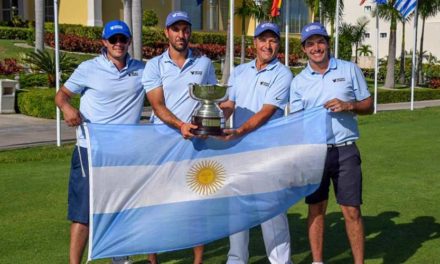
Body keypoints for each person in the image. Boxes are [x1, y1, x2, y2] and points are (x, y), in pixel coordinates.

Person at [54, 20, 145, 264]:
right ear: (104, 42)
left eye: (122, 39)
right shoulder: (88, 68)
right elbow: (61, 95)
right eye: (113, 40)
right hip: (89, 151)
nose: (118, 44)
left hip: (124, 154)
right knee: (82, 213)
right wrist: (67, 108)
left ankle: (120, 259)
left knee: (121, 209)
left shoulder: (142, 69)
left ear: (129, 41)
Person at [289, 22, 373, 264]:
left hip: (345, 151)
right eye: (310, 44)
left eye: (320, 42)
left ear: (328, 43)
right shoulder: (299, 82)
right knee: (316, 210)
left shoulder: (349, 69)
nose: (317, 48)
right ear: (304, 49)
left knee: (352, 211)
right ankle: (317, 262)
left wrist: (349, 106)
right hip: (315, 154)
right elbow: (296, 122)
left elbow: (368, 105)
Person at [141, 11, 217, 264]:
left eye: (185, 29)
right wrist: (181, 125)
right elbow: (157, 105)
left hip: (196, 145)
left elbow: (213, 100)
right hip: (161, 143)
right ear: (167, 32)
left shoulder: (204, 64)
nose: (181, 35)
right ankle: (153, 260)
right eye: (176, 29)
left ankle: (197, 261)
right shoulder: (154, 65)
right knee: (156, 203)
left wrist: (216, 120)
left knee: (195, 205)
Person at [219, 22, 293, 264]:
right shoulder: (239, 72)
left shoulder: (283, 74)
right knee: (237, 209)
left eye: (272, 40)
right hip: (238, 149)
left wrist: (239, 129)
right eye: (263, 40)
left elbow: (267, 111)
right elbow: (230, 104)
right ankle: (236, 259)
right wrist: (211, 114)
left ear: (278, 45)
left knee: (271, 210)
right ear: (255, 43)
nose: (267, 45)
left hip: (267, 150)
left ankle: (281, 261)